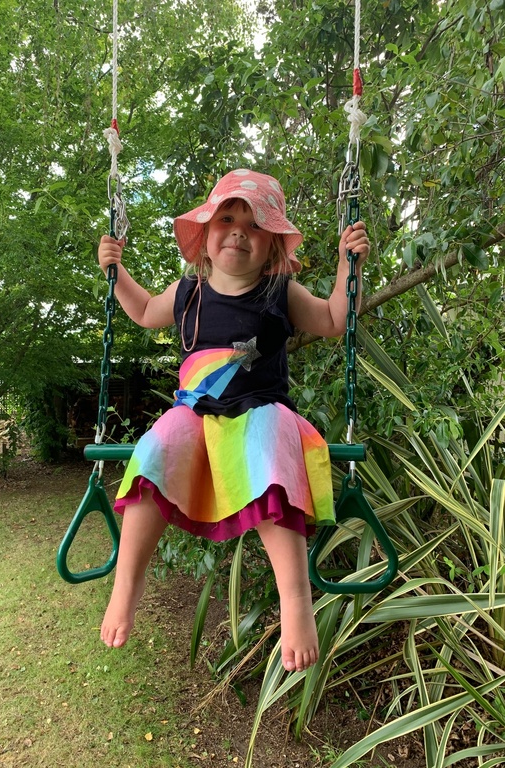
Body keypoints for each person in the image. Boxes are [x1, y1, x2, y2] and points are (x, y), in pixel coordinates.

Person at [98, 169, 370, 673]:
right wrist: (117, 273)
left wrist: (346, 268)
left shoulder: (281, 292)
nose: (240, 232)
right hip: (195, 412)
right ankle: (127, 584)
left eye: (255, 225)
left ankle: (295, 601)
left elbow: (334, 320)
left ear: (272, 246)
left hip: (259, 411)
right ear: (205, 233)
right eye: (227, 219)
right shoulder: (187, 292)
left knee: (270, 458)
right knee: (154, 451)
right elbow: (143, 311)